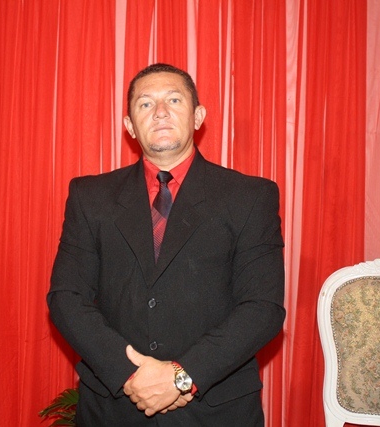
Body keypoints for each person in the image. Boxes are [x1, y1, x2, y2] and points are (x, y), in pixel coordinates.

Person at [48, 63, 285, 426]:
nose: (160, 112)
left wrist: (181, 377)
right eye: (145, 104)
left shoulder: (250, 197)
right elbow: (67, 297)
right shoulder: (90, 197)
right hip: (113, 408)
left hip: (216, 411)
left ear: (198, 116)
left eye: (174, 100)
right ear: (129, 126)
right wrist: (130, 375)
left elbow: (262, 308)